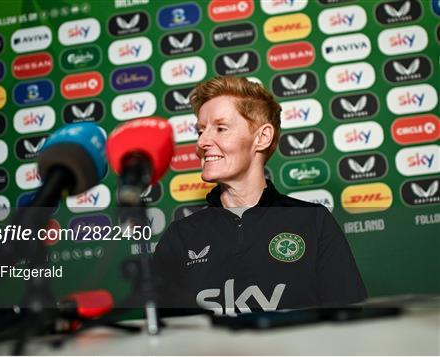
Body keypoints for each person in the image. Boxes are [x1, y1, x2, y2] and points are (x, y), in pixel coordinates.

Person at [153, 76, 367, 316]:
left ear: (262, 137)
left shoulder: (313, 222)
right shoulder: (181, 236)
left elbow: (349, 321)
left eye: (221, 128)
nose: (202, 142)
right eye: (200, 131)